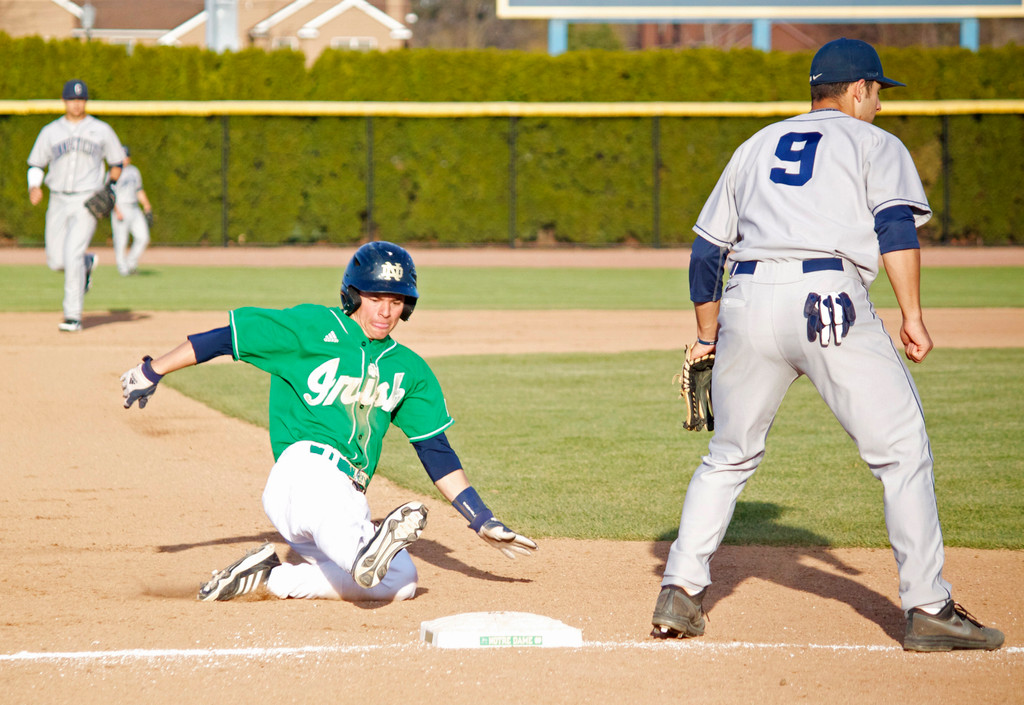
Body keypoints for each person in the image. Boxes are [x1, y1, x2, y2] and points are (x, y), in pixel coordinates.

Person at [650, 38, 1003, 652]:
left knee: (728, 456)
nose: (880, 106)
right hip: (829, 300)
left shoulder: (755, 145)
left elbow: (707, 253)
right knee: (900, 451)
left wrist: (706, 338)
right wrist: (912, 314)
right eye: (878, 93)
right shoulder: (875, 144)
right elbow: (894, 227)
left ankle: (679, 590)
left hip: (747, 299)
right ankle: (928, 607)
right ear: (860, 88)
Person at [120, 241, 537, 603]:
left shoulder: (410, 370)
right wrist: (152, 371)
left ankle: (272, 578)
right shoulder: (312, 328)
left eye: (396, 302)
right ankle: (364, 551)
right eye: (376, 298)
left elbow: (435, 451)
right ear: (354, 296)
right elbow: (226, 338)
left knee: (401, 582)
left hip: (347, 496)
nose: (385, 311)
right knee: (359, 552)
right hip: (304, 476)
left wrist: (480, 517)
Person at [27, 79, 126, 332]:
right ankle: (87, 264)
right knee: (55, 260)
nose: (77, 104)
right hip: (58, 198)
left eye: (81, 99)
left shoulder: (101, 130)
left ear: (86, 101)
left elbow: (117, 161)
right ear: (64, 101)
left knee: (71, 254)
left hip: (86, 199)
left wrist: (109, 187)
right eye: (72, 99)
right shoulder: (50, 131)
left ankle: (73, 315)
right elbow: (37, 163)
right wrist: (34, 186)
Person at [110, 145, 153, 276]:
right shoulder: (114, 172)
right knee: (121, 240)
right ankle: (122, 267)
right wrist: (116, 210)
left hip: (134, 207)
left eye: (126, 156)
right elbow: (110, 194)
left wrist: (147, 205)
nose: (125, 159)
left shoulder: (134, 171)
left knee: (143, 237)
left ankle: (131, 263)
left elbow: (139, 189)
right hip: (121, 207)